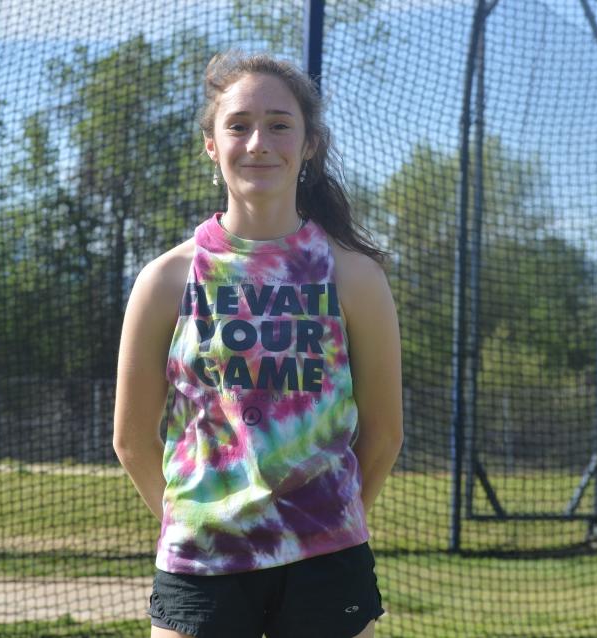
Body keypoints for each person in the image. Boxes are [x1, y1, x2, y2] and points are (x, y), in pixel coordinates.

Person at [113, 51, 403, 638]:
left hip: (328, 563)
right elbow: (130, 439)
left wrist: (325, 525)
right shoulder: (166, 279)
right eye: (238, 125)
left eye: (279, 124)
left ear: (309, 143)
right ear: (211, 146)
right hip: (202, 564)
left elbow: (384, 433)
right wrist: (194, 524)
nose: (258, 143)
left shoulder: (355, 277)